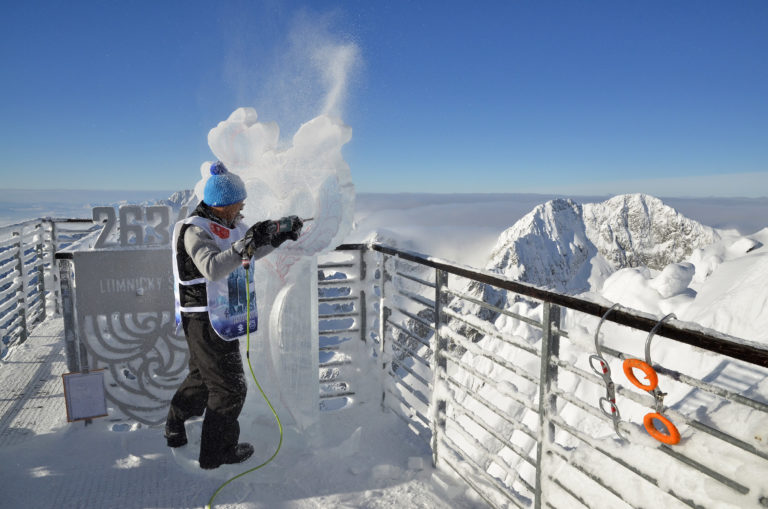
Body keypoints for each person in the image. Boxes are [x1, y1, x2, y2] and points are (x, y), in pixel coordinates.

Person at [165, 161, 302, 469]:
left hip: (222, 316)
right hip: (204, 319)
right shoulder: (194, 231)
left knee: (202, 381)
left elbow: (245, 252)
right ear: (223, 204)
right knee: (230, 389)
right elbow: (213, 267)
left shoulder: (230, 226)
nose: (243, 206)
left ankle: (174, 424)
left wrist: (276, 235)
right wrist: (248, 243)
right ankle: (217, 453)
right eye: (239, 201)